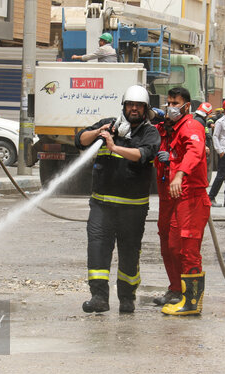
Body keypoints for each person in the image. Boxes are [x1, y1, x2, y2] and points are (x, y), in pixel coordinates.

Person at [75, 85, 160, 313]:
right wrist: (99, 133)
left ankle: (127, 297)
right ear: (124, 106)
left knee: (129, 253)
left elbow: (143, 154)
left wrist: (114, 147)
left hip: (132, 209)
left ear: (145, 109)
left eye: (138, 106)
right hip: (102, 206)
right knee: (97, 249)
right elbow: (80, 140)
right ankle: (99, 298)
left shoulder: (149, 133)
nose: (133, 109)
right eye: (130, 104)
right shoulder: (109, 125)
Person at [153, 87, 210, 316]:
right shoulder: (167, 129)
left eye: (175, 103)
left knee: (187, 247)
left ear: (186, 106)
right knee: (169, 245)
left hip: (189, 194)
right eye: (169, 103)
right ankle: (176, 289)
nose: (171, 107)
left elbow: (195, 152)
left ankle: (192, 301)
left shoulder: (191, 127)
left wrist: (179, 172)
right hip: (169, 195)